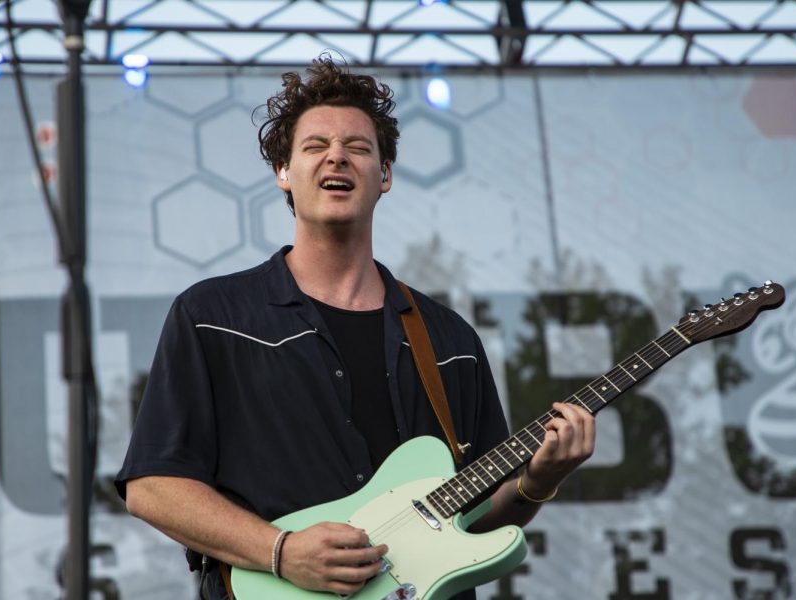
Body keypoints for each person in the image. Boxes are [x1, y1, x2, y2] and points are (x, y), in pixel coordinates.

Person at [115, 56, 595, 600]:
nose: (336, 156)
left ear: (384, 175)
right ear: (284, 173)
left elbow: (475, 520)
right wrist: (281, 551)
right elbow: (153, 487)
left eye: (358, 147)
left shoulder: (451, 341)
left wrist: (539, 482)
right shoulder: (213, 316)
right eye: (315, 146)